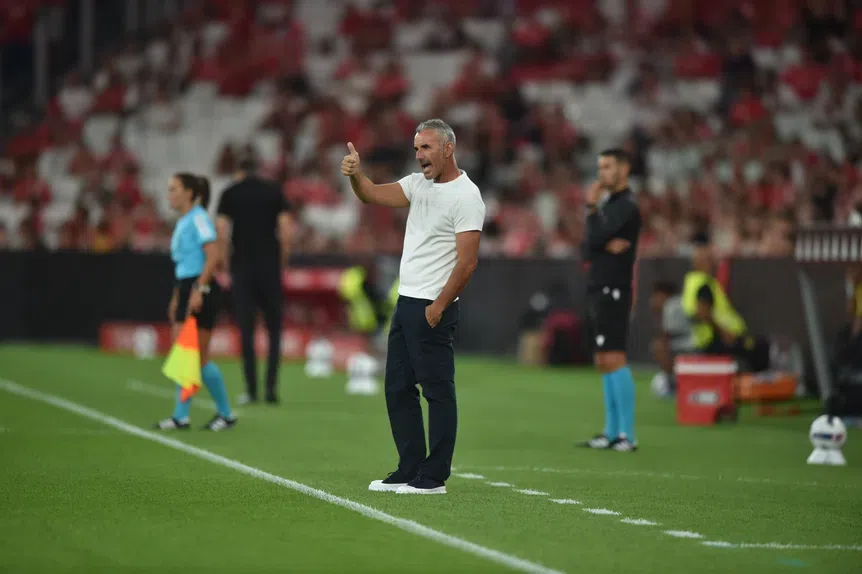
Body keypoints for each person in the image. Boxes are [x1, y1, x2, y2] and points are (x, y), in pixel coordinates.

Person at [341, 119, 485, 494]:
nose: (419, 155)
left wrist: (439, 304)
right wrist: (357, 175)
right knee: (397, 388)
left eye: (426, 148)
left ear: (448, 149)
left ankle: (434, 477)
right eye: (417, 148)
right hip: (407, 302)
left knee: (437, 391)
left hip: (432, 307)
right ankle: (409, 468)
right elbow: (370, 194)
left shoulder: (467, 196)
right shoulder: (417, 185)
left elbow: (467, 261)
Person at [156, 173, 236, 431]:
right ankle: (184, 415)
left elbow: (212, 256)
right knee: (187, 355)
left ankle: (222, 414)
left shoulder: (199, 218)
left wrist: (198, 289)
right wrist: (178, 295)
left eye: (174, 189)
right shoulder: (186, 220)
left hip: (200, 287)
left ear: (190, 193)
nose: (169, 194)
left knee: (196, 357)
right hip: (187, 286)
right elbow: (184, 264)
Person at [577, 149, 642, 452]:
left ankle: (626, 434)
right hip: (599, 285)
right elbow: (588, 247)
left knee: (614, 356)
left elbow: (595, 236)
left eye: (608, 166)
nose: (602, 172)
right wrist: (601, 242)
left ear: (624, 169)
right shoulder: (610, 206)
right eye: (600, 167)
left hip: (614, 287)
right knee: (603, 359)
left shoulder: (626, 205)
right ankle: (611, 430)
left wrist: (591, 209)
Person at [216, 155, 293, 405]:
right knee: (274, 330)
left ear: (239, 172)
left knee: (246, 330)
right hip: (269, 267)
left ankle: (251, 390)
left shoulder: (230, 193)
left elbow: (221, 230)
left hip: (242, 268)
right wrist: (281, 261)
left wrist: (226, 263)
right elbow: (285, 229)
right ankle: (271, 390)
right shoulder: (273, 191)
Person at [681, 233, 770, 372]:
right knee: (760, 346)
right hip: (716, 340)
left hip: (704, 340)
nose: (712, 263)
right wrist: (724, 334)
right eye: (708, 260)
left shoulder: (692, 281)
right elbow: (703, 313)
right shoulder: (704, 284)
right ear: (698, 263)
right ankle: (758, 385)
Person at [649, 281, 695, 395]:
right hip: (687, 342)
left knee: (658, 347)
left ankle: (673, 384)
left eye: (656, 295)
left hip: (691, 344)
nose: (653, 300)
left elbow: (668, 334)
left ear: (664, 294)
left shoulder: (672, 304)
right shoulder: (676, 303)